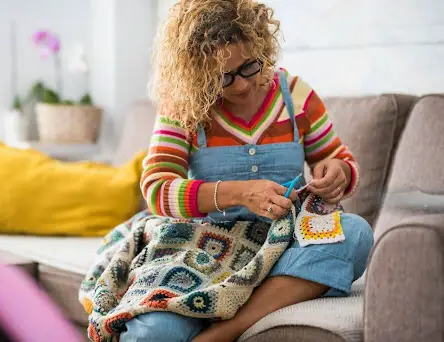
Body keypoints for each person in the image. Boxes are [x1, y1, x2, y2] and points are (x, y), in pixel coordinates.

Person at [85, 0, 373, 341]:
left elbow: (340, 161)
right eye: (223, 76)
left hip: (283, 244)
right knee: (152, 333)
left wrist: (337, 171)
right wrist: (239, 194)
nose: (240, 85)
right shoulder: (184, 104)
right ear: (197, 73)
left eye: (250, 66)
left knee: (353, 233)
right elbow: (157, 189)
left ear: (261, 47)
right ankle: (235, 303)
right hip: (199, 249)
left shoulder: (296, 95)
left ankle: (226, 330)